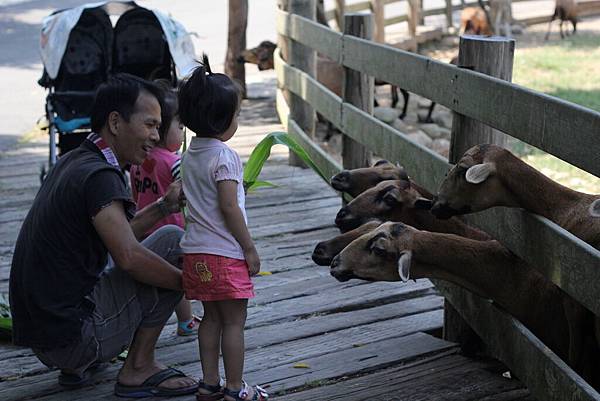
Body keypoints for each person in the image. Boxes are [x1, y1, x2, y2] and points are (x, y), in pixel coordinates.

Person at [9, 73, 197, 398]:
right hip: (72, 337)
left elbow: (117, 235)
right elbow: (129, 257)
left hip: (47, 335)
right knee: (171, 252)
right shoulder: (100, 176)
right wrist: (190, 283)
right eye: (150, 125)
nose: (156, 135)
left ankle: (78, 365)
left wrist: (164, 206)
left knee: (166, 235)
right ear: (115, 122)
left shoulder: (76, 159)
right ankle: (138, 368)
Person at [178, 55, 269, 401]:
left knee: (210, 319)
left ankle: (209, 383)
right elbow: (230, 207)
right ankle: (235, 388)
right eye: (236, 114)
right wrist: (249, 248)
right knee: (234, 323)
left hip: (196, 253)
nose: (238, 119)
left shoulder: (191, 155)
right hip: (226, 254)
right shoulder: (224, 156)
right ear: (223, 120)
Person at [130, 80, 200, 337]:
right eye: (179, 127)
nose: (182, 133)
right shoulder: (174, 162)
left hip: (144, 230)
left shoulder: (138, 160)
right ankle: (186, 322)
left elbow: (135, 194)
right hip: (171, 231)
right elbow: (190, 190)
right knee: (176, 278)